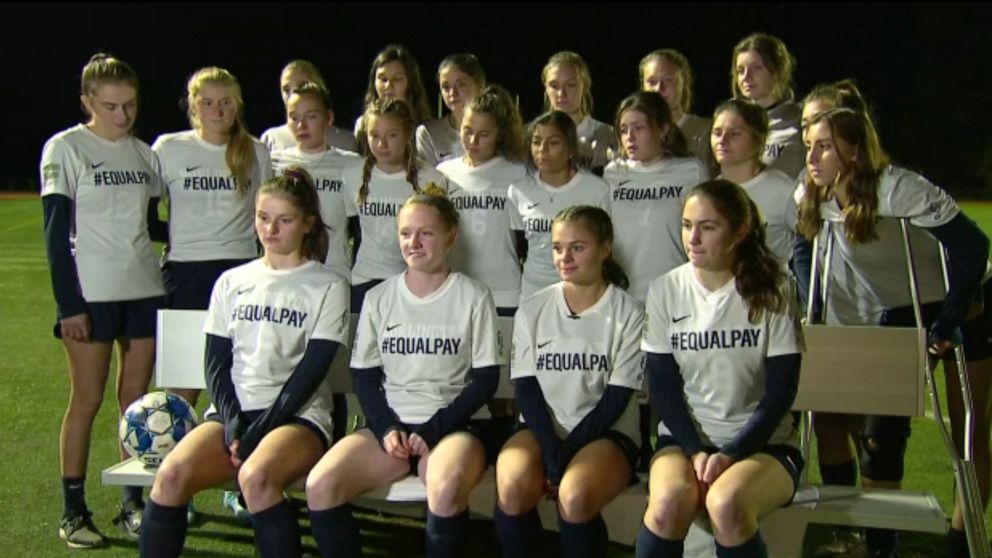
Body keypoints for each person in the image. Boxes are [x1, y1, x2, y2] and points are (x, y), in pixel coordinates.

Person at [797, 105, 992, 558]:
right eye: (809, 146)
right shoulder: (812, 193)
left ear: (854, 148)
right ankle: (880, 543)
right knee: (878, 436)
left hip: (969, 304)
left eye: (823, 146)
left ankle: (962, 543)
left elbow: (971, 245)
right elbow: (804, 249)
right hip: (901, 309)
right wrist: (815, 300)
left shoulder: (898, 188)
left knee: (968, 430)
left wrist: (950, 319)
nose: (812, 156)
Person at [138, 168, 350, 558]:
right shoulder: (231, 281)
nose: (270, 229)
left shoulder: (328, 285)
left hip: (297, 419)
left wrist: (259, 430)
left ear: (307, 224)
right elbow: (216, 363)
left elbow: (311, 372)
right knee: (170, 476)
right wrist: (234, 421)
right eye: (263, 217)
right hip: (232, 415)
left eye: (284, 220)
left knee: (256, 478)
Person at [305, 187, 503, 558]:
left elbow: (486, 380)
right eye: (406, 233)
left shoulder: (474, 296)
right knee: (321, 484)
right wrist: (386, 427)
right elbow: (364, 376)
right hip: (392, 426)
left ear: (450, 237)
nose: (414, 242)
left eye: (426, 233)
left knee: (443, 489)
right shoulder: (380, 297)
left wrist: (435, 428)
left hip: (453, 427)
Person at [637, 179, 803, 558]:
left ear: (740, 231)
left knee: (726, 505)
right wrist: (696, 451)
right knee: (668, 505)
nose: (692, 238)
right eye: (686, 224)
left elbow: (781, 391)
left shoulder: (774, 287)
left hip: (764, 445)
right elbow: (663, 387)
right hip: (684, 443)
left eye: (708, 227)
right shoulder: (665, 290)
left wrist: (732, 452)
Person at [41, 52, 166, 548]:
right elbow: (54, 235)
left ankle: (132, 503)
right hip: (91, 297)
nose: (123, 115)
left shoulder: (144, 154)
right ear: (88, 102)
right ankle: (73, 511)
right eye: (111, 106)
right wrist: (68, 305)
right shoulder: (66, 148)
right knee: (88, 400)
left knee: (134, 406)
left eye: (131, 105)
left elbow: (152, 225)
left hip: (144, 290)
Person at [494, 205, 644, 558]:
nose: (565, 257)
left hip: (606, 432)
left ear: (605, 249)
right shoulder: (533, 308)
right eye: (558, 247)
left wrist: (565, 455)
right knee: (513, 486)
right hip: (542, 429)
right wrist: (550, 449)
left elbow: (617, 398)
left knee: (574, 494)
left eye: (578, 247)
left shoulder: (629, 312)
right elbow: (527, 390)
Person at [153, 66, 272, 408]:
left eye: (225, 102)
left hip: (241, 271)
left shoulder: (256, 151)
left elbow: (265, 215)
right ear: (193, 106)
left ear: (237, 105)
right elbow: (145, 212)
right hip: (186, 270)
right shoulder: (168, 148)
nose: (217, 111)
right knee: (183, 385)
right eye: (207, 103)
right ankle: (177, 458)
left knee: (240, 379)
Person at [604, 91, 710, 302]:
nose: (629, 137)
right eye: (624, 130)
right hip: (625, 294)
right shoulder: (612, 173)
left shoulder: (691, 171)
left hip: (677, 292)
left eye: (638, 128)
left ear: (663, 129)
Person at [344, 97, 448, 312]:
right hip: (366, 278)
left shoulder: (431, 178)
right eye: (375, 136)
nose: (382, 145)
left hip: (413, 280)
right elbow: (351, 231)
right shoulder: (352, 174)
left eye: (392, 135)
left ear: (407, 134)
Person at [437, 83, 527, 315]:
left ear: (500, 135)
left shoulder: (517, 173)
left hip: (504, 290)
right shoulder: (444, 173)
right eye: (468, 130)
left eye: (484, 134)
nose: (473, 140)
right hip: (456, 288)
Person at [508, 111, 610, 300]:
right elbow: (520, 245)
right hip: (534, 292)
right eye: (536, 142)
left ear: (571, 147)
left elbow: (605, 246)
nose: (542, 149)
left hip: (581, 292)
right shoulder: (518, 190)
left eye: (553, 142)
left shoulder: (596, 189)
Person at [271, 81, 361, 280]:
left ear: (328, 118)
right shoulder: (275, 163)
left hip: (334, 274)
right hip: (286, 274)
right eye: (294, 117)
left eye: (311, 116)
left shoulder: (351, 164)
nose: (301, 125)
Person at [710, 98, 796, 267]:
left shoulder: (783, 189)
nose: (723, 140)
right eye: (717, 132)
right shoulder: (708, 193)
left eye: (734, 133)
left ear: (758, 140)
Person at [731, 33, 805, 179]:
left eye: (756, 68)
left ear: (778, 71)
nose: (746, 77)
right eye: (740, 71)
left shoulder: (801, 119)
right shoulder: (730, 122)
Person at [541, 51, 616, 174]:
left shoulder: (607, 134)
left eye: (571, 85)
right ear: (546, 88)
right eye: (554, 86)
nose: (561, 94)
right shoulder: (532, 136)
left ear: (585, 85)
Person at [259, 59, 357, 153]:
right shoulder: (271, 139)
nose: (293, 94)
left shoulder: (346, 142)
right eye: (286, 90)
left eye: (301, 86)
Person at [639, 49, 712, 166]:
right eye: (652, 82)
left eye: (668, 80)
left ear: (683, 82)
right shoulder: (632, 134)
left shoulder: (707, 131)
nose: (659, 88)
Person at [417, 53, 486, 167]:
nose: (452, 93)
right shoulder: (429, 133)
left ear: (479, 85)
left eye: (461, 85)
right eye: (445, 87)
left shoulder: (499, 131)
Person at [354, 44, 432, 140]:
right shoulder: (362, 125)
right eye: (383, 79)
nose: (388, 86)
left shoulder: (427, 128)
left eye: (397, 79)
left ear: (410, 82)